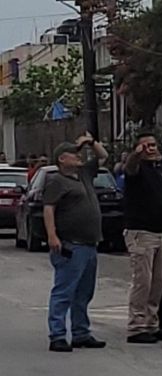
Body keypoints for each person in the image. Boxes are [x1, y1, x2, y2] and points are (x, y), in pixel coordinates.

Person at [43, 134, 109, 352]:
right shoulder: (56, 181)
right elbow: (49, 208)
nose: (79, 156)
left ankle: (81, 332)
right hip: (71, 244)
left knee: (84, 292)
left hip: (90, 243)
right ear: (62, 159)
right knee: (64, 291)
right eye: (74, 153)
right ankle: (58, 334)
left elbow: (103, 156)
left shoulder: (83, 175)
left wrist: (90, 143)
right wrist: (52, 236)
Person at [123, 132, 162, 344]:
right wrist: (135, 155)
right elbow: (129, 167)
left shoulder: (160, 173)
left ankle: (151, 323)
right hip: (141, 232)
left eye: (153, 145)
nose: (151, 149)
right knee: (143, 282)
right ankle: (136, 327)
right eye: (145, 146)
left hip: (159, 231)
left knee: (159, 282)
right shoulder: (137, 170)